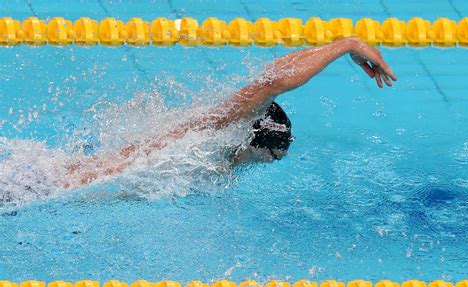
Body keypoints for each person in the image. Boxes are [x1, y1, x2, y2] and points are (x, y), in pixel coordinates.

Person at [64, 36, 397, 188]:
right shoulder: (221, 129)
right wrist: (348, 45)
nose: (267, 163)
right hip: (57, 187)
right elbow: (272, 83)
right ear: (257, 142)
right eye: (272, 156)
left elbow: (268, 77)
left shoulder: (215, 150)